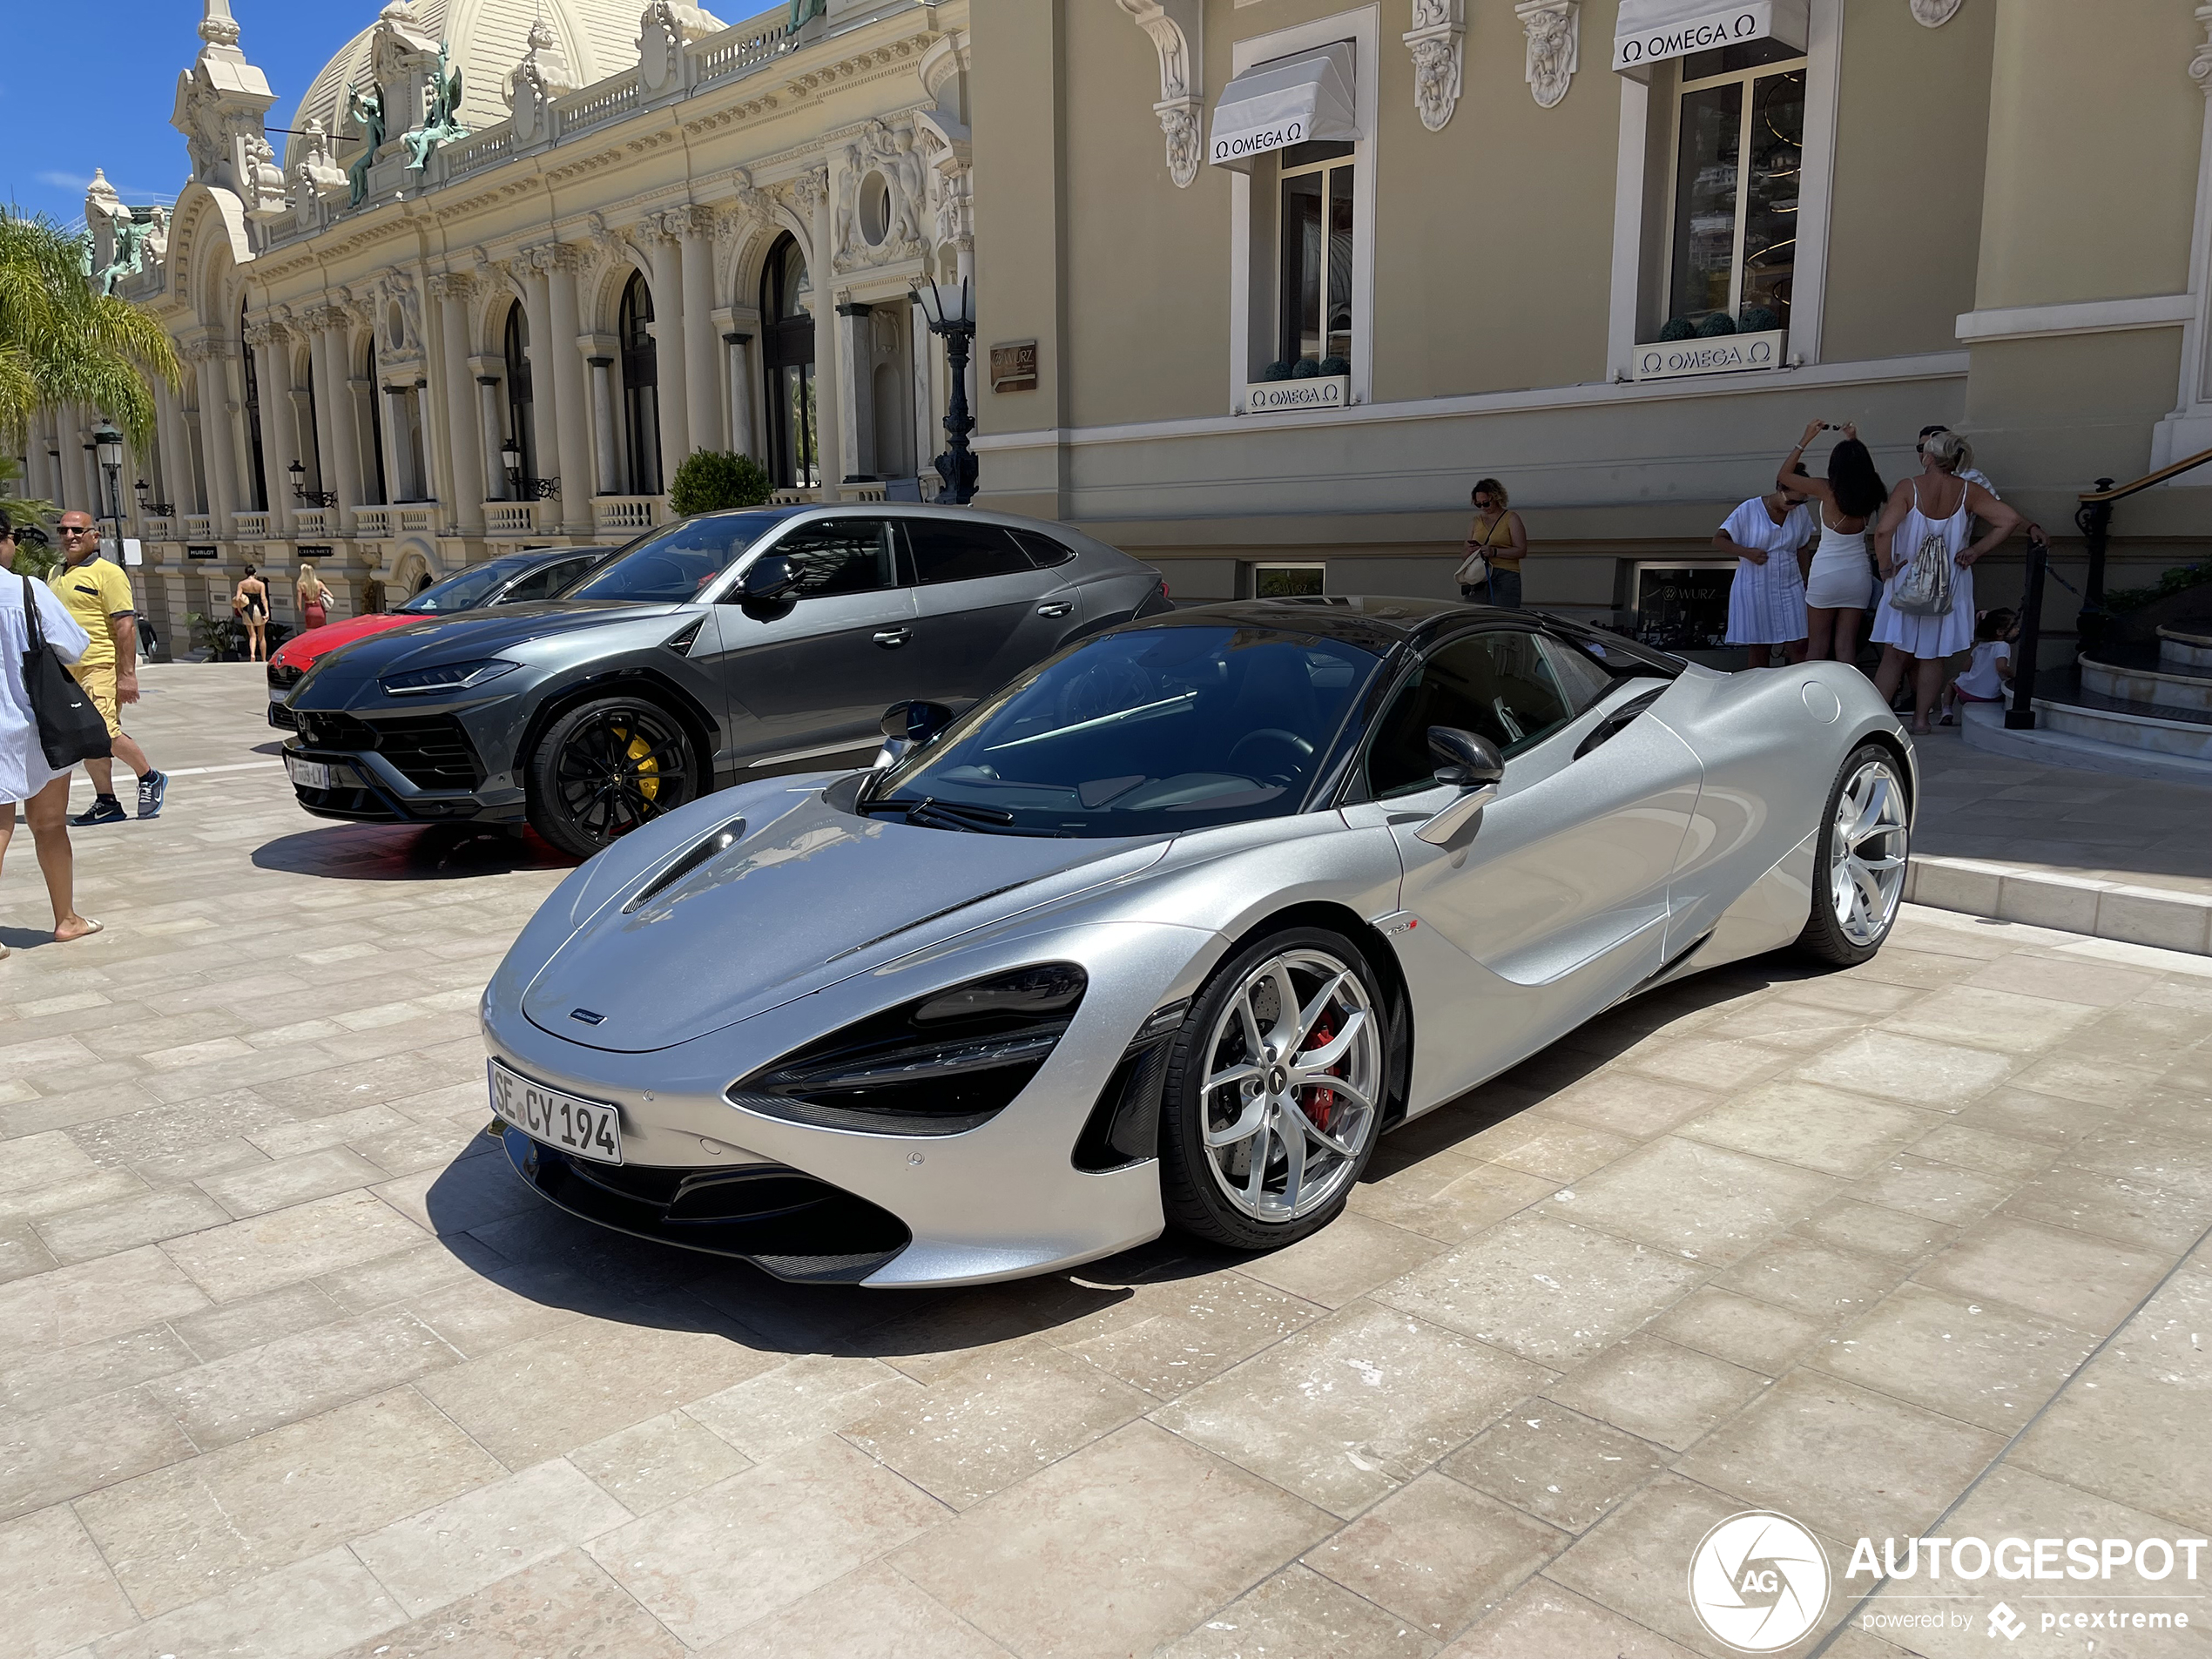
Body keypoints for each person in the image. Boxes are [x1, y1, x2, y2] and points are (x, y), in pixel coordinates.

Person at [1870, 429, 2027, 734]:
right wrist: (1975, 550)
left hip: (1907, 579)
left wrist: (1885, 567)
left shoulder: (1908, 487)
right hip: (1949, 582)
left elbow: (1883, 531)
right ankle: (1921, 722)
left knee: (1894, 655)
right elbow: (2009, 519)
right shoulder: (1969, 490)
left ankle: (1875, 722)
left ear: (1929, 456)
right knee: (1933, 655)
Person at [0, 517, 101, 949]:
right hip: (37, 722)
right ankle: (66, 918)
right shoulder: (27, 590)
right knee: (50, 824)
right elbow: (74, 645)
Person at [46, 510, 167, 826]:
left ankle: (150, 777)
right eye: (63, 530)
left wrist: (127, 675)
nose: (69, 536)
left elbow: (125, 626)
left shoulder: (108, 573)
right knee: (87, 737)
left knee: (104, 732)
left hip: (100, 665)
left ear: (93, 536)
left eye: (77, 530)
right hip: (65, 669)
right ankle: (107, 801)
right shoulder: (54, 574)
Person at [1779, 420, 1887, 665]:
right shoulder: (1872, 489)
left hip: (1826, 573)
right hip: (1857, 575)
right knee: (1846, 646)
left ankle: (1813, 700)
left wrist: (1805, 439)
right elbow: (1859, 467)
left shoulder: (1826, 489)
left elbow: (1784, 475)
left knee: (1817, 646)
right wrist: (1853, 441)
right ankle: (1847, 699)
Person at [1716, 478, 1816, 669]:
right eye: (1791, 501)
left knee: (1800, 642)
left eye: (1801, 502)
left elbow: (1802, 546)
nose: (1795, 507)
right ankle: (1760, 692)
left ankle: (1800, 687)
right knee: (1760, 644)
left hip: (1790, 582)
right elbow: (1719, 540)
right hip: (1757, 583)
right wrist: (1747, 552)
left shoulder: (1800, 512)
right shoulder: (1749, 509)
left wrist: (1806, 577)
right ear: (1779, 490)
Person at [1457, 478, 1528, 608]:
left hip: (1505, 574)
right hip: (1479, 575)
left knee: (1504, 617)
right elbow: (1464, 554)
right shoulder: (1476, 521)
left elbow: (1521, 550)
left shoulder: (1511, 518)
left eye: (1486, 503)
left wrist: (1494, 552)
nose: (1483, 508)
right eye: (1478, 505)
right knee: (1475, 617)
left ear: (1496, 498)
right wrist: (1470, 551)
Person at [1941, 608, 2017, 725]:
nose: (2017, 630)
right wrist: (2014, 675)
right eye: (2014, 627)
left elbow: (1965, 668)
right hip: (1992, 696)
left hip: (1967, 693)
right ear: (2000, 632)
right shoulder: (2003, 646)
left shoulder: (1979, 647)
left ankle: (1947, 711)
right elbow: (2001, 667)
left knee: (1952, 682)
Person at [233, 563, 270, 662]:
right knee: (261, 636)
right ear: (255, 573)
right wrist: (267, 612)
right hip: (259, 609)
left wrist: (240, 609)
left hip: (247, 610)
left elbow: (237, 598)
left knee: (252, 635)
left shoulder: (241, 584)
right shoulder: (260, 584)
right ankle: (263, 658)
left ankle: (252, 655)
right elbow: (263, 598)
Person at [296, 563, 334, 631]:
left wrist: (300, 609)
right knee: (322, 631)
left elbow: (299, 601)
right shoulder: (319, 583)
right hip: (320, 610)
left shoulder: (301, 585)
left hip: (310, 610)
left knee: (310, 633)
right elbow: (331, 595)